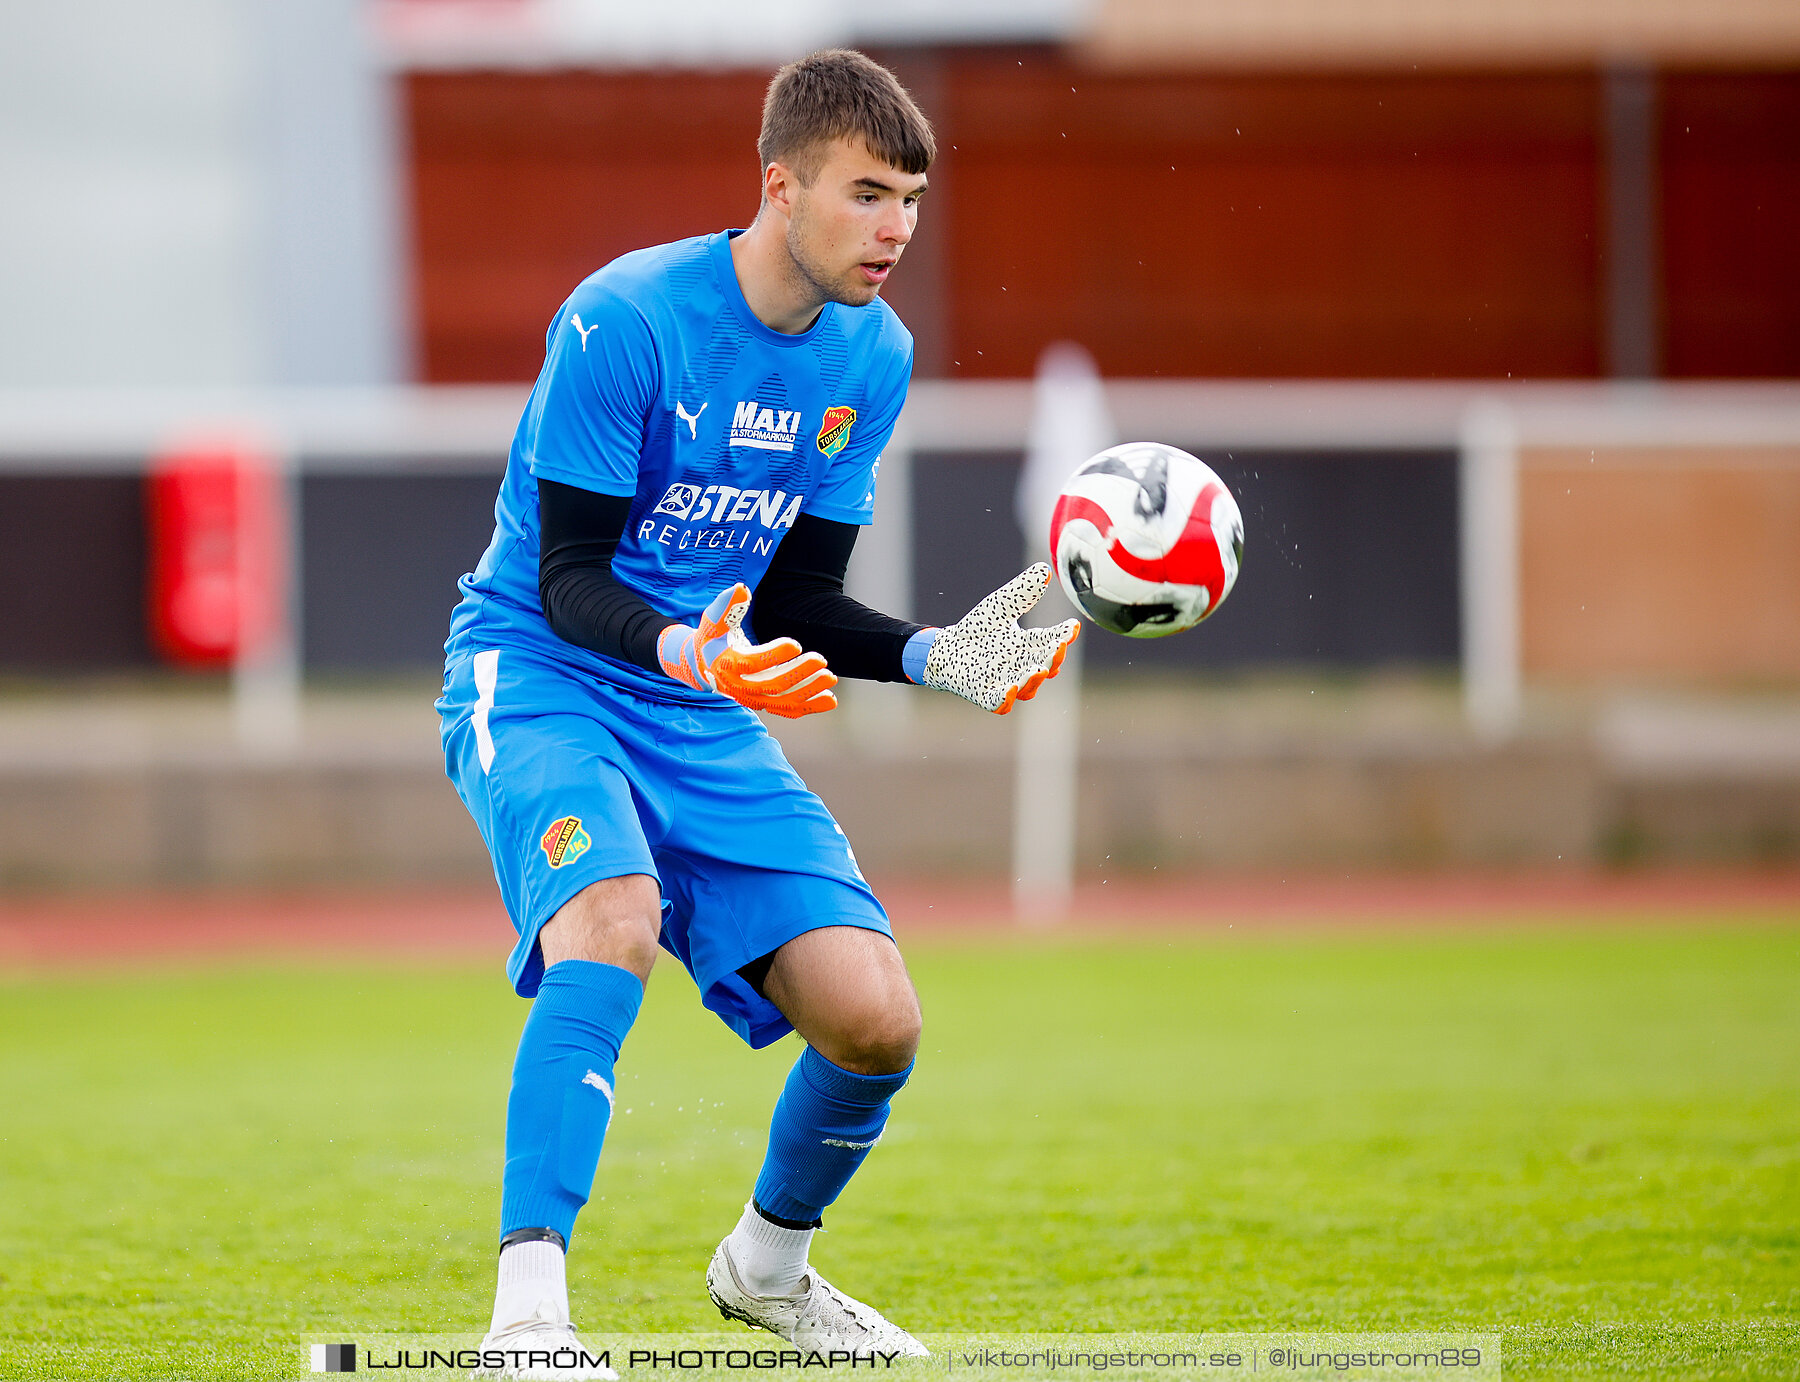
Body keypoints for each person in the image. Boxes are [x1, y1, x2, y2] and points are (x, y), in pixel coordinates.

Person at [437, 48, 1078, 1382]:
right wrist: (697, 650)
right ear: (779, 186)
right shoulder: (627, 318)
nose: (896, 225)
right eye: (866, 192)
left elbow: (798, 598)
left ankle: (768, 1268)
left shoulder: (874, 354)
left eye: (911, 196)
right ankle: (527, 1324)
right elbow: (564, 581)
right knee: (605, 923)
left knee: (877, 1019)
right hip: (543, 668)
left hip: (701, 696)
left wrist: (933, 657)